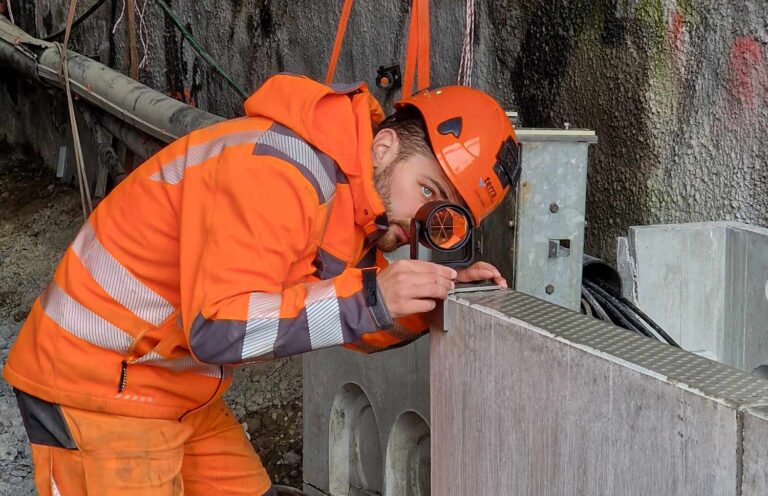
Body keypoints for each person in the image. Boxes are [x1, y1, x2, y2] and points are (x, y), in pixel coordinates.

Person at [3, 73, 520, 495]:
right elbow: (220, 328)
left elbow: (319, 308)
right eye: (426, 189)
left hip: (172, 385)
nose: (420, 220)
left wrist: (419, 305)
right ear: (384, 146)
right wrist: (374, 298)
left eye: (444, 215)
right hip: (95, 389)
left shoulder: (346, 197)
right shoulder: (281, 174)